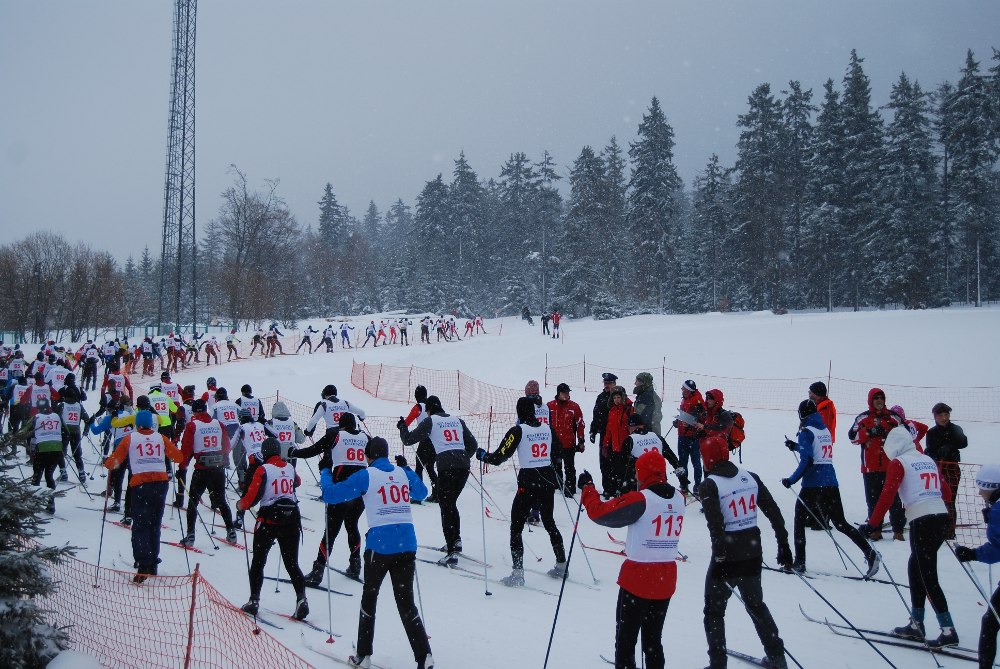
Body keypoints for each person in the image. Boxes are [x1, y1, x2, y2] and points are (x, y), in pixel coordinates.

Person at [320, 438, 434, 669]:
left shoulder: (367, 475)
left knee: (369, 599)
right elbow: (422, 493)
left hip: (380, 547)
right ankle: (425, 656)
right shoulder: (401, 472)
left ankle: (364, 655)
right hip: (407, 544)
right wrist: (408, 469)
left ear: (368, 456)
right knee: (406, 603)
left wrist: (325, 471)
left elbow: (331, 494)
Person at [579, 451, 684, 669]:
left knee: (626, 640)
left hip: (638, 578)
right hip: (666, 579)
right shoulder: (679, 497)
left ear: (642, 473)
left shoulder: (642, 499)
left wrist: (588, 488)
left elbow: (600, 513)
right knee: (653, 639)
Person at [699, 436, 792, 669]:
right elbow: (774, 512)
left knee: (714, 610)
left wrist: (720, 556)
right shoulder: (749, 477)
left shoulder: (709, 484)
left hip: (727, 554)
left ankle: (718, 663)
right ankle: (776, 656)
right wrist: (784, 544)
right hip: (751, 551)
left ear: (707, 459)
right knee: (756, 605)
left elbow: (716, 526)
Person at [860, 426, 957, 648]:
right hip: (940, 517)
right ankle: (917, 623)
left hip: (923, 520)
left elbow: (888, 494)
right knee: (916, 567)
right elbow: (947, 493)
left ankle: (948, 629)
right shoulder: (927, 459)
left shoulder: (899, 463)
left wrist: (873, 523)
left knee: (927, 575)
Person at [780, 399, 880, 577]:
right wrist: (795, 447)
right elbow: (814, 452)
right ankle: (870, 553)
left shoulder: (805, 431)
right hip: (831, 482)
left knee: (799, 521)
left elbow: (808, 460)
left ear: (801, 414)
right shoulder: (823, 429)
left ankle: (800, 562)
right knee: (840, 523)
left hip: (813, 485)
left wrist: (791, 479)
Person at [477, 397, 567, 586]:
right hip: (546, 481)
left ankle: (518, 573)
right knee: (550, 523)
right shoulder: (547, 428)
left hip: (529, 483)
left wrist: (484, 456)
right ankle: (561, 565)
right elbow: (559, 452)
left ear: (519, 412)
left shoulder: (518, 430)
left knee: (516, 527)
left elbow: (499, 457)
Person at [104, 409, 184, 582]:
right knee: (155, 524)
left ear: (137, 424)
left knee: (140, 525)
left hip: (141, 485)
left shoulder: (130, 438)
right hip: (161, 485)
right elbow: (178, 457)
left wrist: (108, 462)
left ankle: (143, 564)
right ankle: (153, 562)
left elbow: (115, 461)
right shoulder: (160, 438)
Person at [398, 395, 477, 564]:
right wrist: (462, 457)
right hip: (463, 467)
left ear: (429, 410)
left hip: (447, 467)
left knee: (445, 505)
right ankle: (456, 540)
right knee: (450, 503)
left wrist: (402, 427)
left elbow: (408, 440)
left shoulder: (431, 420)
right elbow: (473, 445)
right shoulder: (457, 420)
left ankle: (452, 550)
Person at [237, 437, 310, 621]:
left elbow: (251, 498)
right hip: (291, 520)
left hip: (269, 521)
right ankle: (302, 599)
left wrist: (240, 505)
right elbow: (297, 482)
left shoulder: (263, 469)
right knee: (292, 563)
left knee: (259, 562)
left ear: (265, 452)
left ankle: (254, 601)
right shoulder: (289, 468)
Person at [298, 412, 370, 585]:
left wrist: (295, 453)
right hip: (360, 492)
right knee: (352, 526)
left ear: (342, 425)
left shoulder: (336, 434)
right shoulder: (366, 437)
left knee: (331, 531)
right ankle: (355, 565)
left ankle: (318, 571)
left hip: (340, 490)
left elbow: (313, 450)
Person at [953, 464, 1000, 669]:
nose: (980, 493)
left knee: (990, 622)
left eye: (983, 488)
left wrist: (972, 554)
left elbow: (998, 549)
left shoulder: (998, 510)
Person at [179, 399, 238, 546]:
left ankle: (191, 535)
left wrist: (182, 467)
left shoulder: (192, 425)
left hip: (202, 469)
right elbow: (226, 446)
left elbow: (186, 449)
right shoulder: (218, 424)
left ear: (195, 411)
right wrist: (223, 460)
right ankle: (231, 531)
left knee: (193, 501)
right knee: (221, 500)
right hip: (217, 468)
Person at [848, 388, 905, 541]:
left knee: (894, 500)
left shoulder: (894, 417)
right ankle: (875, 530)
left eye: (881, 398)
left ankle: (898, 530)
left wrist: (890, 432)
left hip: (891, 466)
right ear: (871, 400)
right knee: (873, 500)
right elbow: (852, 437)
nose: (879, 401)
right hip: (870, 468)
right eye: (876, 398)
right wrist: (868, 432)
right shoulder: (862, 418)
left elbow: (907, 435)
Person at [925, 402, 967, 540]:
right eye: (940, 415)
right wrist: (934, 456)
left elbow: (963, 442)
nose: (944, 418)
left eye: (946, 414)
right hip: (936, 470)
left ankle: (949, 531)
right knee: (936, 499)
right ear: (935, 416)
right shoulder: (931, 432)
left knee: (949, 499)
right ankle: (937, 527)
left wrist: (949, 446)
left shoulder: (955, 429)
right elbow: (929, 450)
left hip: (952, 469)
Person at [15, 397, 63, 514]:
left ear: (38, 408)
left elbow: (24, 431)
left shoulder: (36, 417)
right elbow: (65, 430)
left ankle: (33, 503)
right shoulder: (57, 416)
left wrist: (17, 436)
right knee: (49, 475)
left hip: (42, 449)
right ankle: (51, 504)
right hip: (56, 449)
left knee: (37, 475)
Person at [621, 413, 687, 493]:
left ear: (631, 427)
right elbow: (672, 458)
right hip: (661, 480)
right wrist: (682, 478)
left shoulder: (630, 440)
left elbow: (623, 463)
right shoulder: (656, 436)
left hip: (643, 484)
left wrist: (622, 487)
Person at [547, 383, 586, 496]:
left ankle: (570, 490)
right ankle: (556, 489)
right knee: (555, 467)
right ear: (558, 393)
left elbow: (580, 424)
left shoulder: (574, 406)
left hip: (568, 444)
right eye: (564, 392)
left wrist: (581, 441)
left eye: (568, 392)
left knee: (569, 468)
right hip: (553, 444)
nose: (566, 395)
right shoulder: (549, 406)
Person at [403, 385, 437, 502]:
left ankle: (418, 495)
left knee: (419, 467)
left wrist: (402, 426)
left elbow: (407, 422)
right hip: (435, 439)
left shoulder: (418, 407)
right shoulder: (431, 405)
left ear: (416, 396)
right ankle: (437, 494)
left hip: (424, 439)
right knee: (431, 467)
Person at [675, 380, 706, 493]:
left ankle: (698, 486)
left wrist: (693, 418)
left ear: (688, 390)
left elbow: (703, 416)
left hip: (693, 436)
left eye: (683, 388)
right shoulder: (685, 398)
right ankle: (684, 486)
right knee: (682, 462)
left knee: (695, 462)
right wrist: (677, 421)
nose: (681, 389)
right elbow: (685, 414)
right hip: (682, 435)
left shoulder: (698, 399)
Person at [604, 386, 634, 498]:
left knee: (627, 472)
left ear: (623, 397)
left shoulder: (629, 409)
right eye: (615, 397)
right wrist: (606, 445)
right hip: (615, 447)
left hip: (627, 447)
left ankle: (627, 493)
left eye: (619, 397)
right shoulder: (612, 411)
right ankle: (618, 491)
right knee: (617, 472)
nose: (617, 399)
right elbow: (609, 430)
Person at [591, 372, 618, 494]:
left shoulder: (618, 397)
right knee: (604, 462)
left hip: (616, 435)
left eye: (609, 383)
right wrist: (593, 430)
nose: (607, 385)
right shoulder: (601, 397)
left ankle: (616, 488)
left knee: (616, 463)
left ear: (614, 383)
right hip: (603, 434)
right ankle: (607, 488)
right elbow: (596, 415)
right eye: (605, 383)